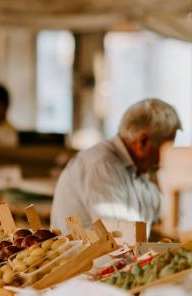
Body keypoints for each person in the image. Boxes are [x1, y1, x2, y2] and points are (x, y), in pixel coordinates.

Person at [50, 98, 181, 233]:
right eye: (166, 148)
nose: (165, 158)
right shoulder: (101, 167)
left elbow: (164, 209)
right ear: (143, 142)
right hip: (90, 254)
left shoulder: (136, 170)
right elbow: (123, 238)